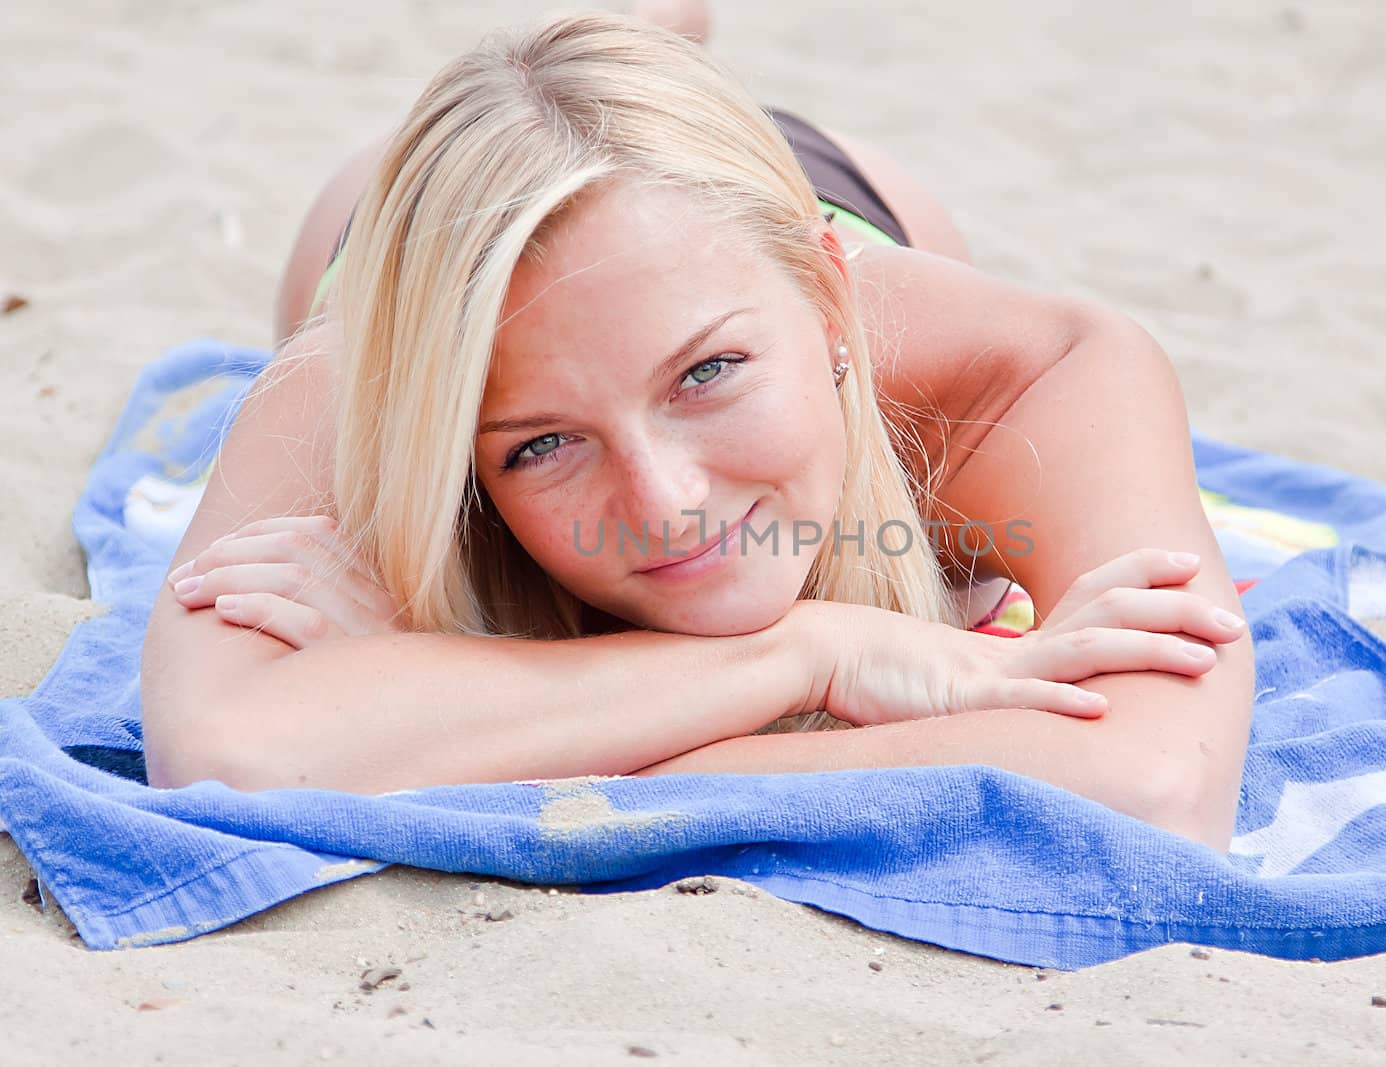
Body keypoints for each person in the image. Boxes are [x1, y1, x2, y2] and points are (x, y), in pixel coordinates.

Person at [139, 8, 1254, 852]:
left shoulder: (1025, 376)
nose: (664, 501)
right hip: (423, 224)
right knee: (538, 96)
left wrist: (434, 714)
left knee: (633, 80)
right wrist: (814, 653)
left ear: (826, 304)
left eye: (708, 375)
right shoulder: (363, 381)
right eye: (540, 444)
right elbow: (230, 757)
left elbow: (1160, 783)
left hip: (792, 198)